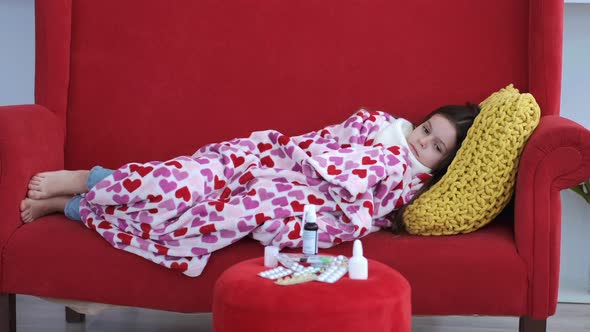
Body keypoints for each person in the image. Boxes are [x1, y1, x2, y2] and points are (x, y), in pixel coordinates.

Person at [19, 105, 479, 276]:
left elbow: (365, 209)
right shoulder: (380, 125)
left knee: (196, 222)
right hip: (262, 164)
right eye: (425, 130)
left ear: (445, 163)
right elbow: (326, 142)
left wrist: (389, 165)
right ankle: (87, 179)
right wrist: (381, 145)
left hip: (280, 202)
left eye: (436, 146)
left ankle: (73, 208)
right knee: (178, 185)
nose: (421, 142)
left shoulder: (412, 185)